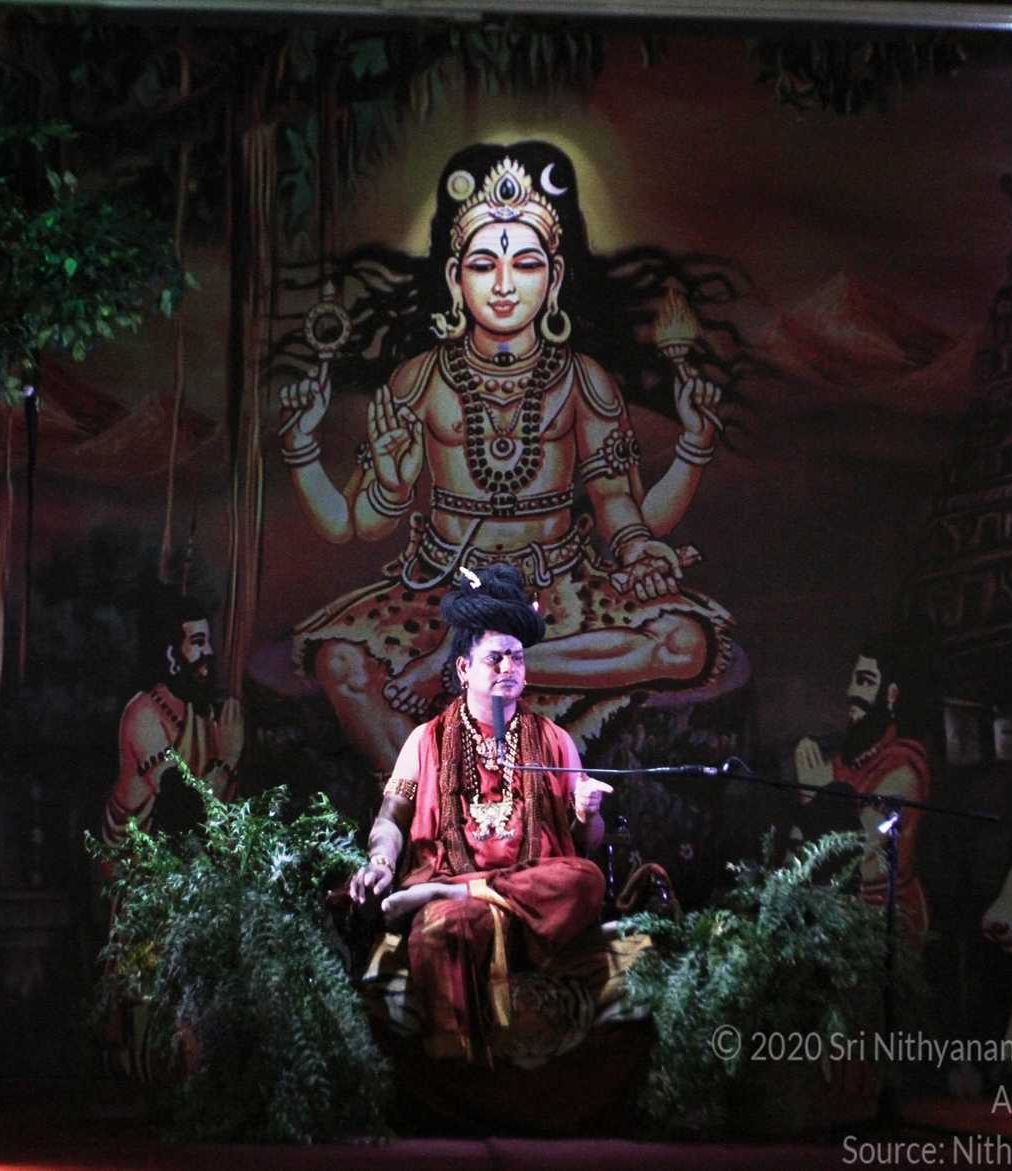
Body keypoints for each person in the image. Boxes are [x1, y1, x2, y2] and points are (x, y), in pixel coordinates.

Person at [277, 141, 735, 769]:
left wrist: (645, 534)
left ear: (554, 279)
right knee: (341, 664)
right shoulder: (421, 378)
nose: (502, 286)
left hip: (558, 590)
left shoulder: (582, 379)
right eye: (482, 264)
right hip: (443, 588)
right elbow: (354, 524)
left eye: (524, 264)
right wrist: (384, 481)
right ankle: (430, 805)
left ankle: (482, 661)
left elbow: (617, 505)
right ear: (454, 278)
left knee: (684, 642)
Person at [348, 564, 613, 1063]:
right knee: (443, 927)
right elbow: (390, 819)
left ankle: (449, 893)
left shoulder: (554, 741)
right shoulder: (425, 740)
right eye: (495, 658)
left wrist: (585, 814)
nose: (509, 668)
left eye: (517, 658)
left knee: (586, 879)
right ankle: (458, 1065)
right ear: (464, 669)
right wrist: (381, 861)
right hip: (471, 892)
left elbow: (585, 845)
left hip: (533, 905)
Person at [794, 644, 930, 943]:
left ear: (891, 695)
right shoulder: (844, 762)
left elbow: (861, 850)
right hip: (833, 916)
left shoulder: (903, 766)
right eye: (853, 680)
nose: (851, 691)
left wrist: (817, 799)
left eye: (865, 682)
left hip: (886, 923)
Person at [103, 590, 244, 846]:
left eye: (209, 642)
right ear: (171, 655)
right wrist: (227, 760)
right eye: (199, 642)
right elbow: (182, 812)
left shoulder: (202, 709)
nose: (209, 651)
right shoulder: (144, 713)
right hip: (133, 858)